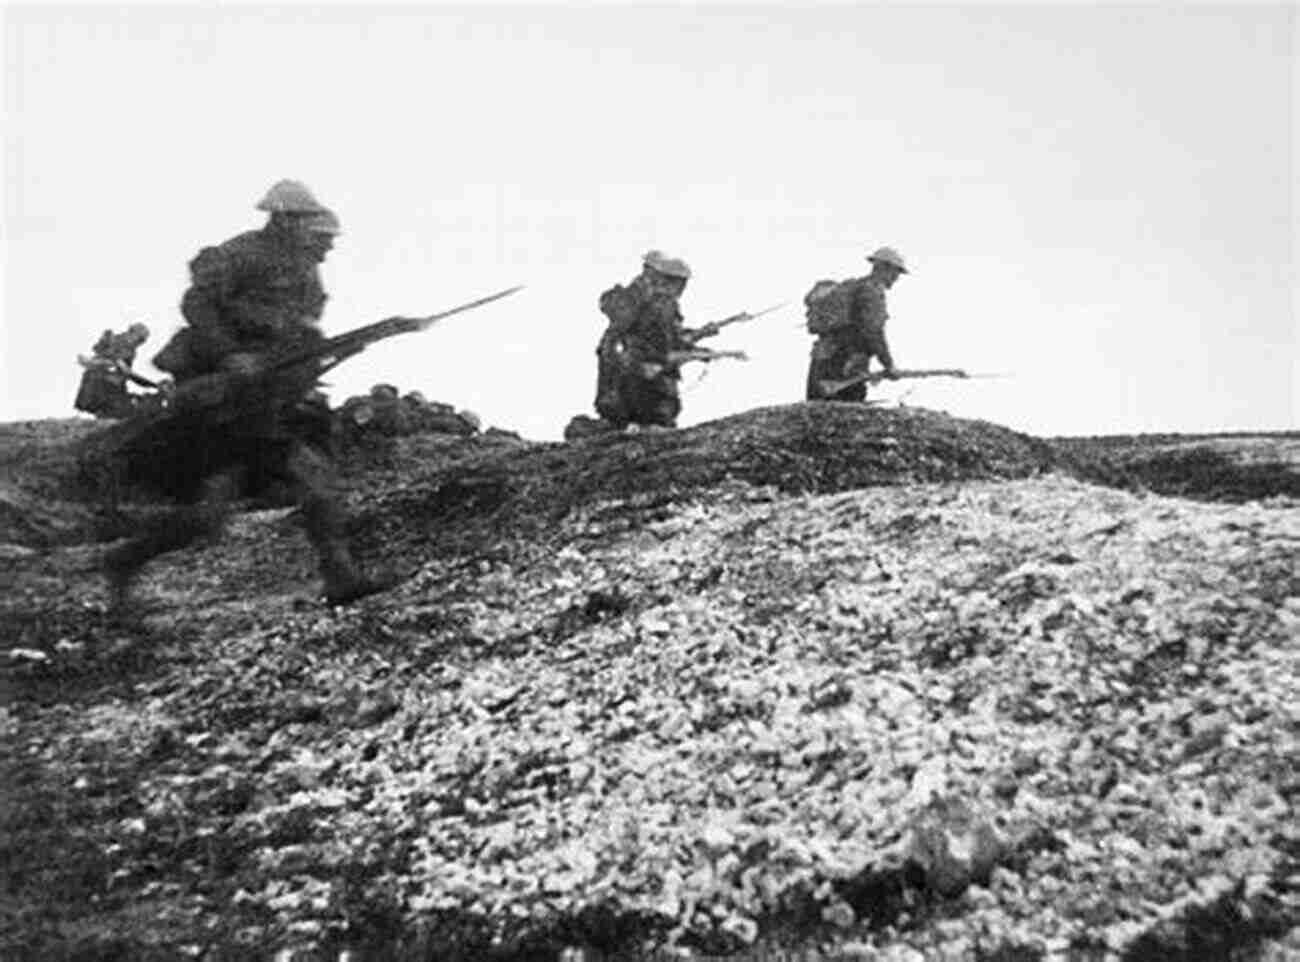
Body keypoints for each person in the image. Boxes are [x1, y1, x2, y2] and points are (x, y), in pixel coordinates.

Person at [103, 181, 389, 615]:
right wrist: (230, 355)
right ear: (287, 221)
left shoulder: (308, 276)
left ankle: (341, 576)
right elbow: (197, 307)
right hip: (224, 404)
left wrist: (331, 350)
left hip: (272, 401)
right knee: (206, 519)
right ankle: (123, 562)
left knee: (319, 483)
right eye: (319, 238)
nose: (326, 249)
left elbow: (300, 335)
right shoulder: (239, 254)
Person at [593, 250, 703, 429]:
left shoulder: (654, 302)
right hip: (641, 387)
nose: (680, 288)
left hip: (646, 387)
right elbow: (658, 348)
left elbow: (670, 339)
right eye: (678, 282)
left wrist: (702, 333)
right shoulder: (646, 302)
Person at [805, 246, 907, 402]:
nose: (896, 277)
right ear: (883, 267)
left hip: (822, 357)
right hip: (848, 362)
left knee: (816, 410)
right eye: (896, 272)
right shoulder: (871, 292)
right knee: (847, 413)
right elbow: (873, 331)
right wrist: (889, 365)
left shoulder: (852, 287)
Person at [74, 322, 152, 418]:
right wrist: (151, 384)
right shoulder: (121, 345)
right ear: (132, 333)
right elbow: (125, 370)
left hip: (106, 384)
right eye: (140, 339)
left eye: (143, 341)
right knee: (122, 411)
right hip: (103, 385)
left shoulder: (124, 345)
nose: (140, 343)